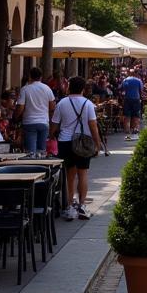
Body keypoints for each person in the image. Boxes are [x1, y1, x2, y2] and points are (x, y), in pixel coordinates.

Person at [50, 77, 101, 220]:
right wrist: (97, 144)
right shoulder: (88, 104)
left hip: (65, 142)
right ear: (83, 89)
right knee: (83, 174)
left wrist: (51, 135)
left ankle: (69, 206)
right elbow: (93, 125)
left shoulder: (62, 103)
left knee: (69, 175)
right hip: (83, 142)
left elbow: (54, 123)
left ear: (69, 87)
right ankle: (82, 205)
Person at [15, 67, 57, 157]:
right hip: (43, 123)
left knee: (31, 152)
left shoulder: (25, 89)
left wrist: (15, 118)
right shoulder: (47, 89)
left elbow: (20, 107)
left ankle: (32, 167)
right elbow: (52, 107)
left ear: (30, 76)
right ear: (41, 77)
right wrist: (50, 121)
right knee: (42, 151)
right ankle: (42, 167)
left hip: (29, 123)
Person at [120, 72, 144, 140]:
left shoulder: (125, 80)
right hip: (136, 99)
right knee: (136, 115)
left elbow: (122, 90)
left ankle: (127, 129)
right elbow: (141, 90)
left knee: (127, 115)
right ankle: (135, 129)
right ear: (135, 74)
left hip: (127, 99)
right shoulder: (138, 81)